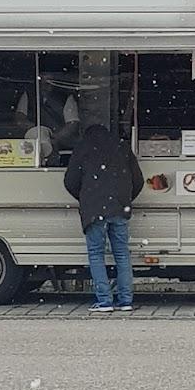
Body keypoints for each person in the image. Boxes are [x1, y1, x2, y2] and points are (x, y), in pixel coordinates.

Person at [63, 123, 143, 313]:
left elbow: (70, 181)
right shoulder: (122, 147)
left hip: (94, 211)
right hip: (119, 208)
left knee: (96, 254)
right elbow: (138, 180)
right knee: (122, 254)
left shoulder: (83, 148)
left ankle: (104, 301)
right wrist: (124, 199)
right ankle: (126, 301)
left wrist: (86, 198)